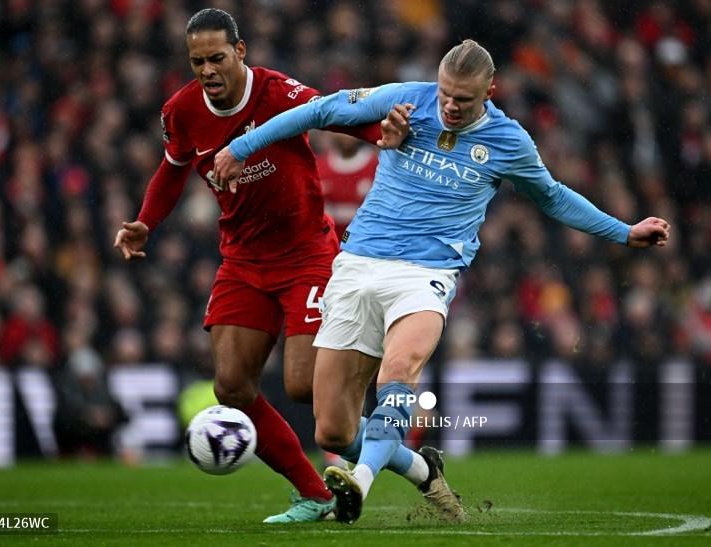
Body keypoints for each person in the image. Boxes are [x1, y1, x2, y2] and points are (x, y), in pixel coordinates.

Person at [213, 39, 671, 524]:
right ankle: (421, 469)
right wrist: (240, 146)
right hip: (357, 266)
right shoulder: (406, 100)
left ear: (489, 91)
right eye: (446, 94)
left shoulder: (508, 141)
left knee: (398, 373)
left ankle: (358, 484)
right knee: (331, 432)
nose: (450, 106)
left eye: (464, 100)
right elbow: (320, 109)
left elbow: (553, 197)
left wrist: (623, 231)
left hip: (425, 275)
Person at [112, 8, 407, 524]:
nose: (207, 69)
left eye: (217, 57)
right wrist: (145, 223)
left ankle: (398, 455)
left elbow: (335, 113)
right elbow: (172, 169)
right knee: (231, 386)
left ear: (240, 52)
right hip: (243, 260)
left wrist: (383, 133)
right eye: (197, 60)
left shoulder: (277, 92)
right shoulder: (181, 111)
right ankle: (314, 493)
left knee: (302, 385)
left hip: (307, 254)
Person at [316, 133, 378, 239]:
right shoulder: (319, 165)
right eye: (342, 131)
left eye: (351, 131)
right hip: (330, 239)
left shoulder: (376, 164)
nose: (347, 137)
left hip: (363, 239)